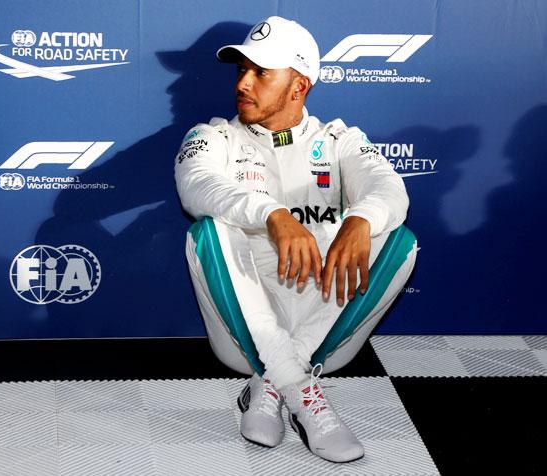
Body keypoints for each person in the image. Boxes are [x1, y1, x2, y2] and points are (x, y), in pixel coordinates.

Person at [174, 16, 417, 463]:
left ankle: (273, 381)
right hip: (243, 329)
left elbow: (389, 187)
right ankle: (303, 392)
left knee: (396, 237)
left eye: (261, 73)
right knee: (210, 231)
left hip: (322, 322)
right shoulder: (214, 137)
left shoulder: (340, 141)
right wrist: (272, 213)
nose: (243, 83)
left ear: (299, 85)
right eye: (241, 70)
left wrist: (360, 219)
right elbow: (195, 185)